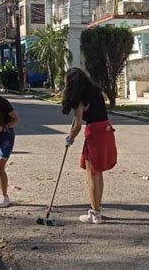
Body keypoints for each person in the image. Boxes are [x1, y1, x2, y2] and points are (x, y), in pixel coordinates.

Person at [62, 68, 117, 224]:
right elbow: (104, 98)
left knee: (92, 174)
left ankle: (94, 214)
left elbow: (78, 125)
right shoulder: (95, 92)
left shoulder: (79, 98)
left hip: (95, 135)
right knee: (98, 173)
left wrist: (70, 139)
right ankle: (97, 208)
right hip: (106, 131)